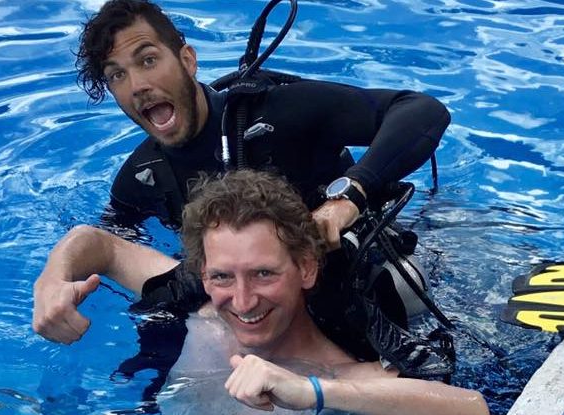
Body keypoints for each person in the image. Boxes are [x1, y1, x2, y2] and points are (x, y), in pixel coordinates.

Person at [33, 0, 452, 348]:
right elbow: (108, 246)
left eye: (147, 60)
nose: (137, 85)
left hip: (364, 280)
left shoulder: (280, 113)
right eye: (117, 75)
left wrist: (348, 198)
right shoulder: (141, 178)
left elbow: (421, 111)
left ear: (187, 59)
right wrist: (56, 278)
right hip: (256, 305)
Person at [49, 170, 488, 415]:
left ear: (306, 269)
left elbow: (470, 413)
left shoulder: (341, 375)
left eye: (264, 274)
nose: (241, 301)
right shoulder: (205, 316)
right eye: (222, 276)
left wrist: (313, 393)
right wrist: (51, 281)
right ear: (202, 274)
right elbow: (97, 244)